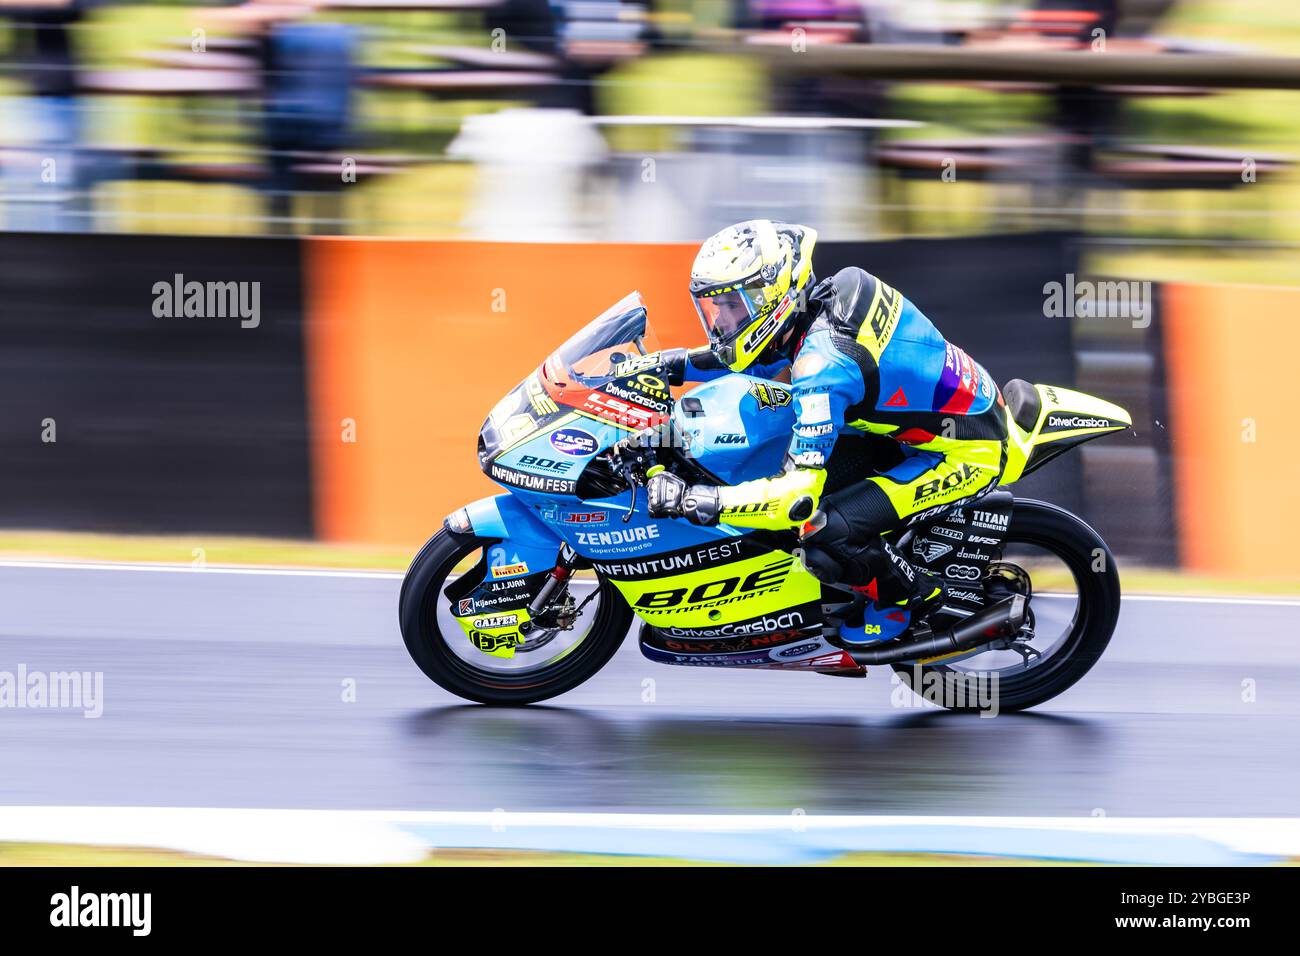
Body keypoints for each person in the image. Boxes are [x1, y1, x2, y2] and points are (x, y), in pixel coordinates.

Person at [646, 219, 1009, 638]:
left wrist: (701, 499)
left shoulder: (823, 368)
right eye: (716, 307)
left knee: (820, 530)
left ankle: (913, 599)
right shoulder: (832, 295)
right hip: (925, 421)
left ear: (775, 295)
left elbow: (796, 496)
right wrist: (667, 364)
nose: (724, 321)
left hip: (964, 451)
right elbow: (750, 357)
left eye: (734, 304)